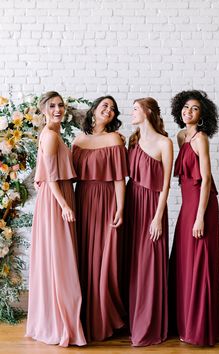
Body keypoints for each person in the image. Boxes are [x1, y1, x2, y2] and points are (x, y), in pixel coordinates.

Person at [26, 91, 86, 347]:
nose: (58, 109)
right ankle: (60, 323)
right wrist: (63, 205)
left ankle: (55, 318)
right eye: (52, 105)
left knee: (57, 257)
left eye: (61, 105)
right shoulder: (50, 136)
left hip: (60, 197)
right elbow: (50, 176)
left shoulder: (55, 133)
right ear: (43, 110)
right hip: (55, 201)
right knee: (61, 259)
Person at [168, 90, 219, 346]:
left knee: (199, 262)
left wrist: (200, 217)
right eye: (186, 107)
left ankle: (200, 328)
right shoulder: (181, 136)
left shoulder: (201, 139)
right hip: (187, 206)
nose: (188, 112)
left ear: (202, 116)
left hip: (201, 205)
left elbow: (205, 181)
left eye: (194, 109)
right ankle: (183, 320)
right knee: (184, 262)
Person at [72, 95, 129, 342]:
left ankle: (107, 316)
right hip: (82, 199)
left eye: (113, 109)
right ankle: (82, 316)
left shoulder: (115, 139)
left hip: (106, 200)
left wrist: (120, 208)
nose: (109, 110)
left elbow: (119, 178)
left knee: (107, 260)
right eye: (105, 106)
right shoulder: (78, 140)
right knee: (83, 256)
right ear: (93, 110)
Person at [125, 97, 173, 346]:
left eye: (135, 109)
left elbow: (165, 186)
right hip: (133, 203)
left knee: (149, 263)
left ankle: (149, 324)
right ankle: (131, 320)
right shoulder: (132, 140)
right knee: (132, 261)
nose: (131, 112)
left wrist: (157, 218)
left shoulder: (165, 143)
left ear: (148, 112)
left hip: (152, 207)